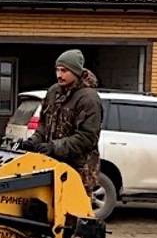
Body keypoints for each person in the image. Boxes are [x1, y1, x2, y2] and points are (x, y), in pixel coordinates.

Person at [19, 49, 102, 191]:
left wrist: (54, 147)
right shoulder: (53, 92)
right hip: (51, 166)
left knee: (73, 211)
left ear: (75, 72)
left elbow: (87, 137)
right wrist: (33, 142)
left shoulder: (88, 99)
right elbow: (44, 125)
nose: (59, 75)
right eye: (57, 70)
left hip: (78, 170)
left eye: (64, 71)